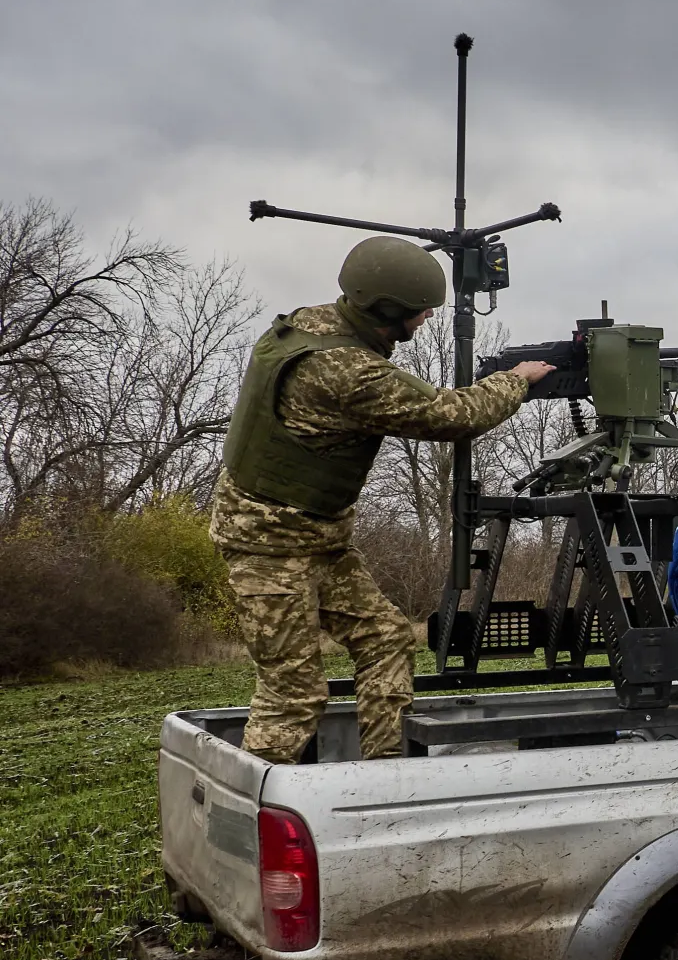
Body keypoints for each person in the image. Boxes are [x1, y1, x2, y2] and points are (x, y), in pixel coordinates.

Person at [209, 236, 554, 764]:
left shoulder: (309, 323)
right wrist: (516, 382)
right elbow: (448, 416)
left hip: (317, 537)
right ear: (385, 309)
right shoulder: (344, 371)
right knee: (292, 695)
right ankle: (250, 819)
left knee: (387, 638)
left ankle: (384, 773)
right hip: (269, 547)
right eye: (418, 313)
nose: (425, 321)